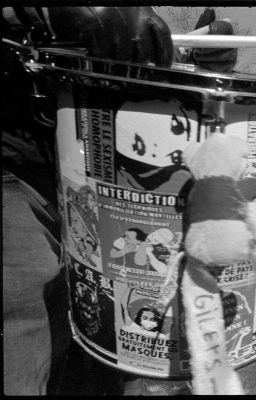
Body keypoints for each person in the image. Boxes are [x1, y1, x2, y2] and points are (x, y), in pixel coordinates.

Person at [2, 6, 236, 395]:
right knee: (24, 332)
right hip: (14, 167)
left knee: (109, 347)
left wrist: (189, 63)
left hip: (94, 177)